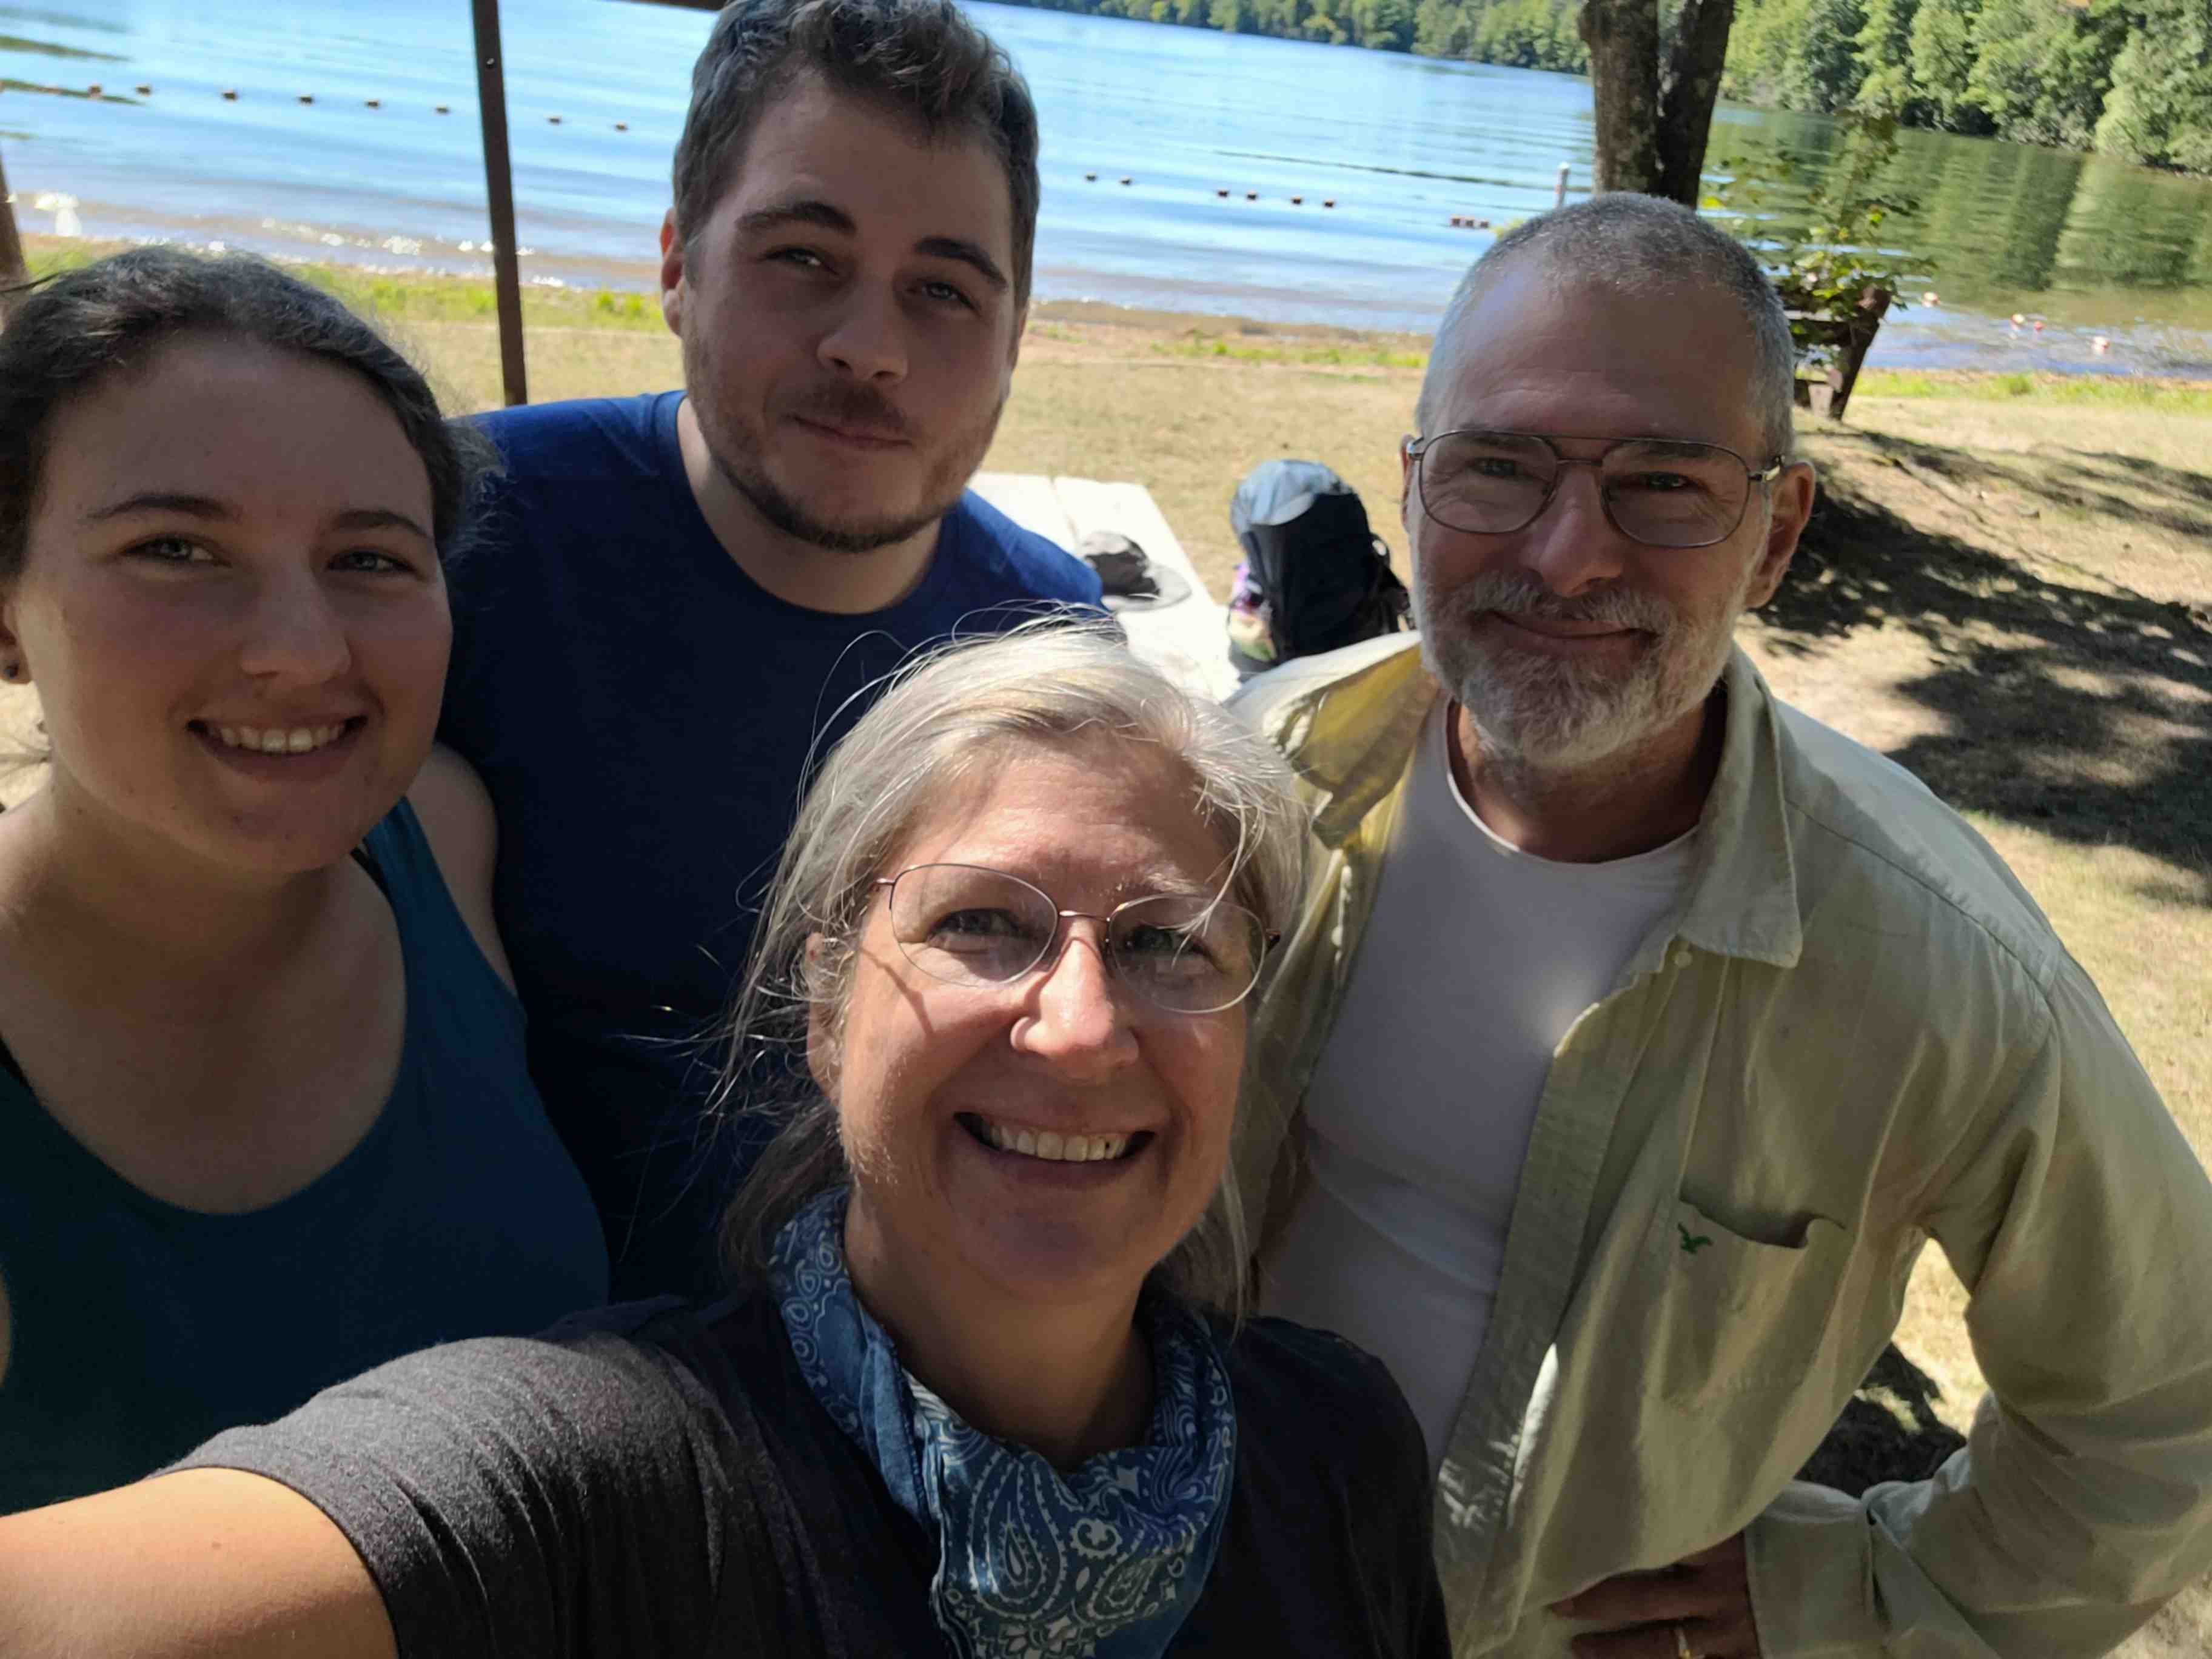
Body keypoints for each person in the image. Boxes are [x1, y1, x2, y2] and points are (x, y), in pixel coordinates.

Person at [0, 625, 1450, 1659]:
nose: (1079, 1027)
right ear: (827, 1006)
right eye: (982, 925)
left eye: (1167, 945)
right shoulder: (599, 1478)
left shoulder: (1336, 1447)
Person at [1232, 193, 2212, 1658]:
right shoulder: (1259, 778)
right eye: (1498, 468)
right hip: (1207, 1594)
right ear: (1417, 488)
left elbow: (2168, 1404)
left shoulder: (1932, 965)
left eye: (1663, 484)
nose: (1567, 558)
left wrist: (1864, 1592)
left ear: (1774, 534)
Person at [441, 0, 1105, 1303]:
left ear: (1016, 336)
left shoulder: (1045, 648)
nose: (869, 347)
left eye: (944, 291)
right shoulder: (468, 541)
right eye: (804, 257)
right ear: (679, 262)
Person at [0, 249, 608, 1514]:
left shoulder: (438, 834)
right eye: (177, 547)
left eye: (370, 560)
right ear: (11, 606)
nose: (297, 650)